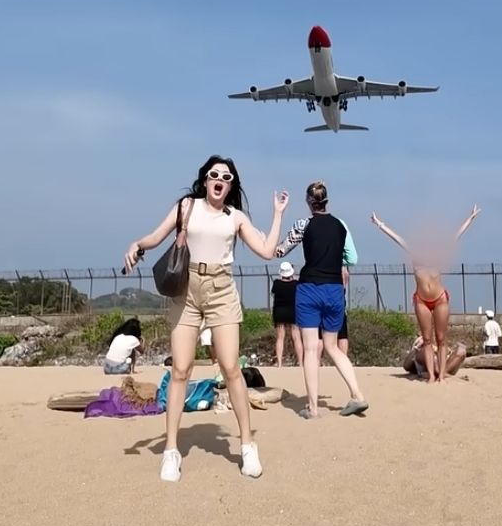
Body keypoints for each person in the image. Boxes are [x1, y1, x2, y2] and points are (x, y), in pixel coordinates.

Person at [123, 155, 289, 480]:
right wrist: (136, 244)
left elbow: (267, 251)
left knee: (231, 368)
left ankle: (247, 445)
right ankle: (171, 451)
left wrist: (278, 214)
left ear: (231, 186)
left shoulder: (235, 217)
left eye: (226, 178)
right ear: (205, 179)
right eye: (215, 175)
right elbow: (155, 237)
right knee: (180, 369)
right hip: (186, 289)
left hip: (221, 289)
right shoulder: (187, 206)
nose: (220, 181)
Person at [274, 180, 369, 418]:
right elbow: (350, 257)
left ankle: (313, 408)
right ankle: (357, 395)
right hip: (335, 290)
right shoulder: (340, 226)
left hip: (309, 289)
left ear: (308, 202)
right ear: (326, 201)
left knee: (310, 349)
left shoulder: (304, 224)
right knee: (332, 347)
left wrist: (274, 223)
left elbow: (280, 250)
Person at [370, 205, 480, 382]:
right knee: (427, 340)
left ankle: (441, 377)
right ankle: (431, 376)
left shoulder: (439, 254)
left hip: (440, 298)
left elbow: (456, 236)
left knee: (441, 339)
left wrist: (470, 217)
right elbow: (397, 238)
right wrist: (379, 224)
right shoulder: (414, 253)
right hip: (421, 299)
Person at [271, 261, 303, 367]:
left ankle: (280, 363)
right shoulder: (296, 284)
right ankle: (301, 362)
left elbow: (273, 294)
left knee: (280, 337)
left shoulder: (276, 283)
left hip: (279, 311)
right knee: (296, 337)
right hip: (293, 311)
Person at [402, 334, 468, 378]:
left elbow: (447, 351)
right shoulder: (420, 348)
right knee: (426, 352)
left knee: (461, 350)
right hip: (429, 365)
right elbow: (406, 366)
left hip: (443, 365)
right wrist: (417, 347)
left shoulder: (438, 339)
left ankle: (443, 374)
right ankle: (447, 376)